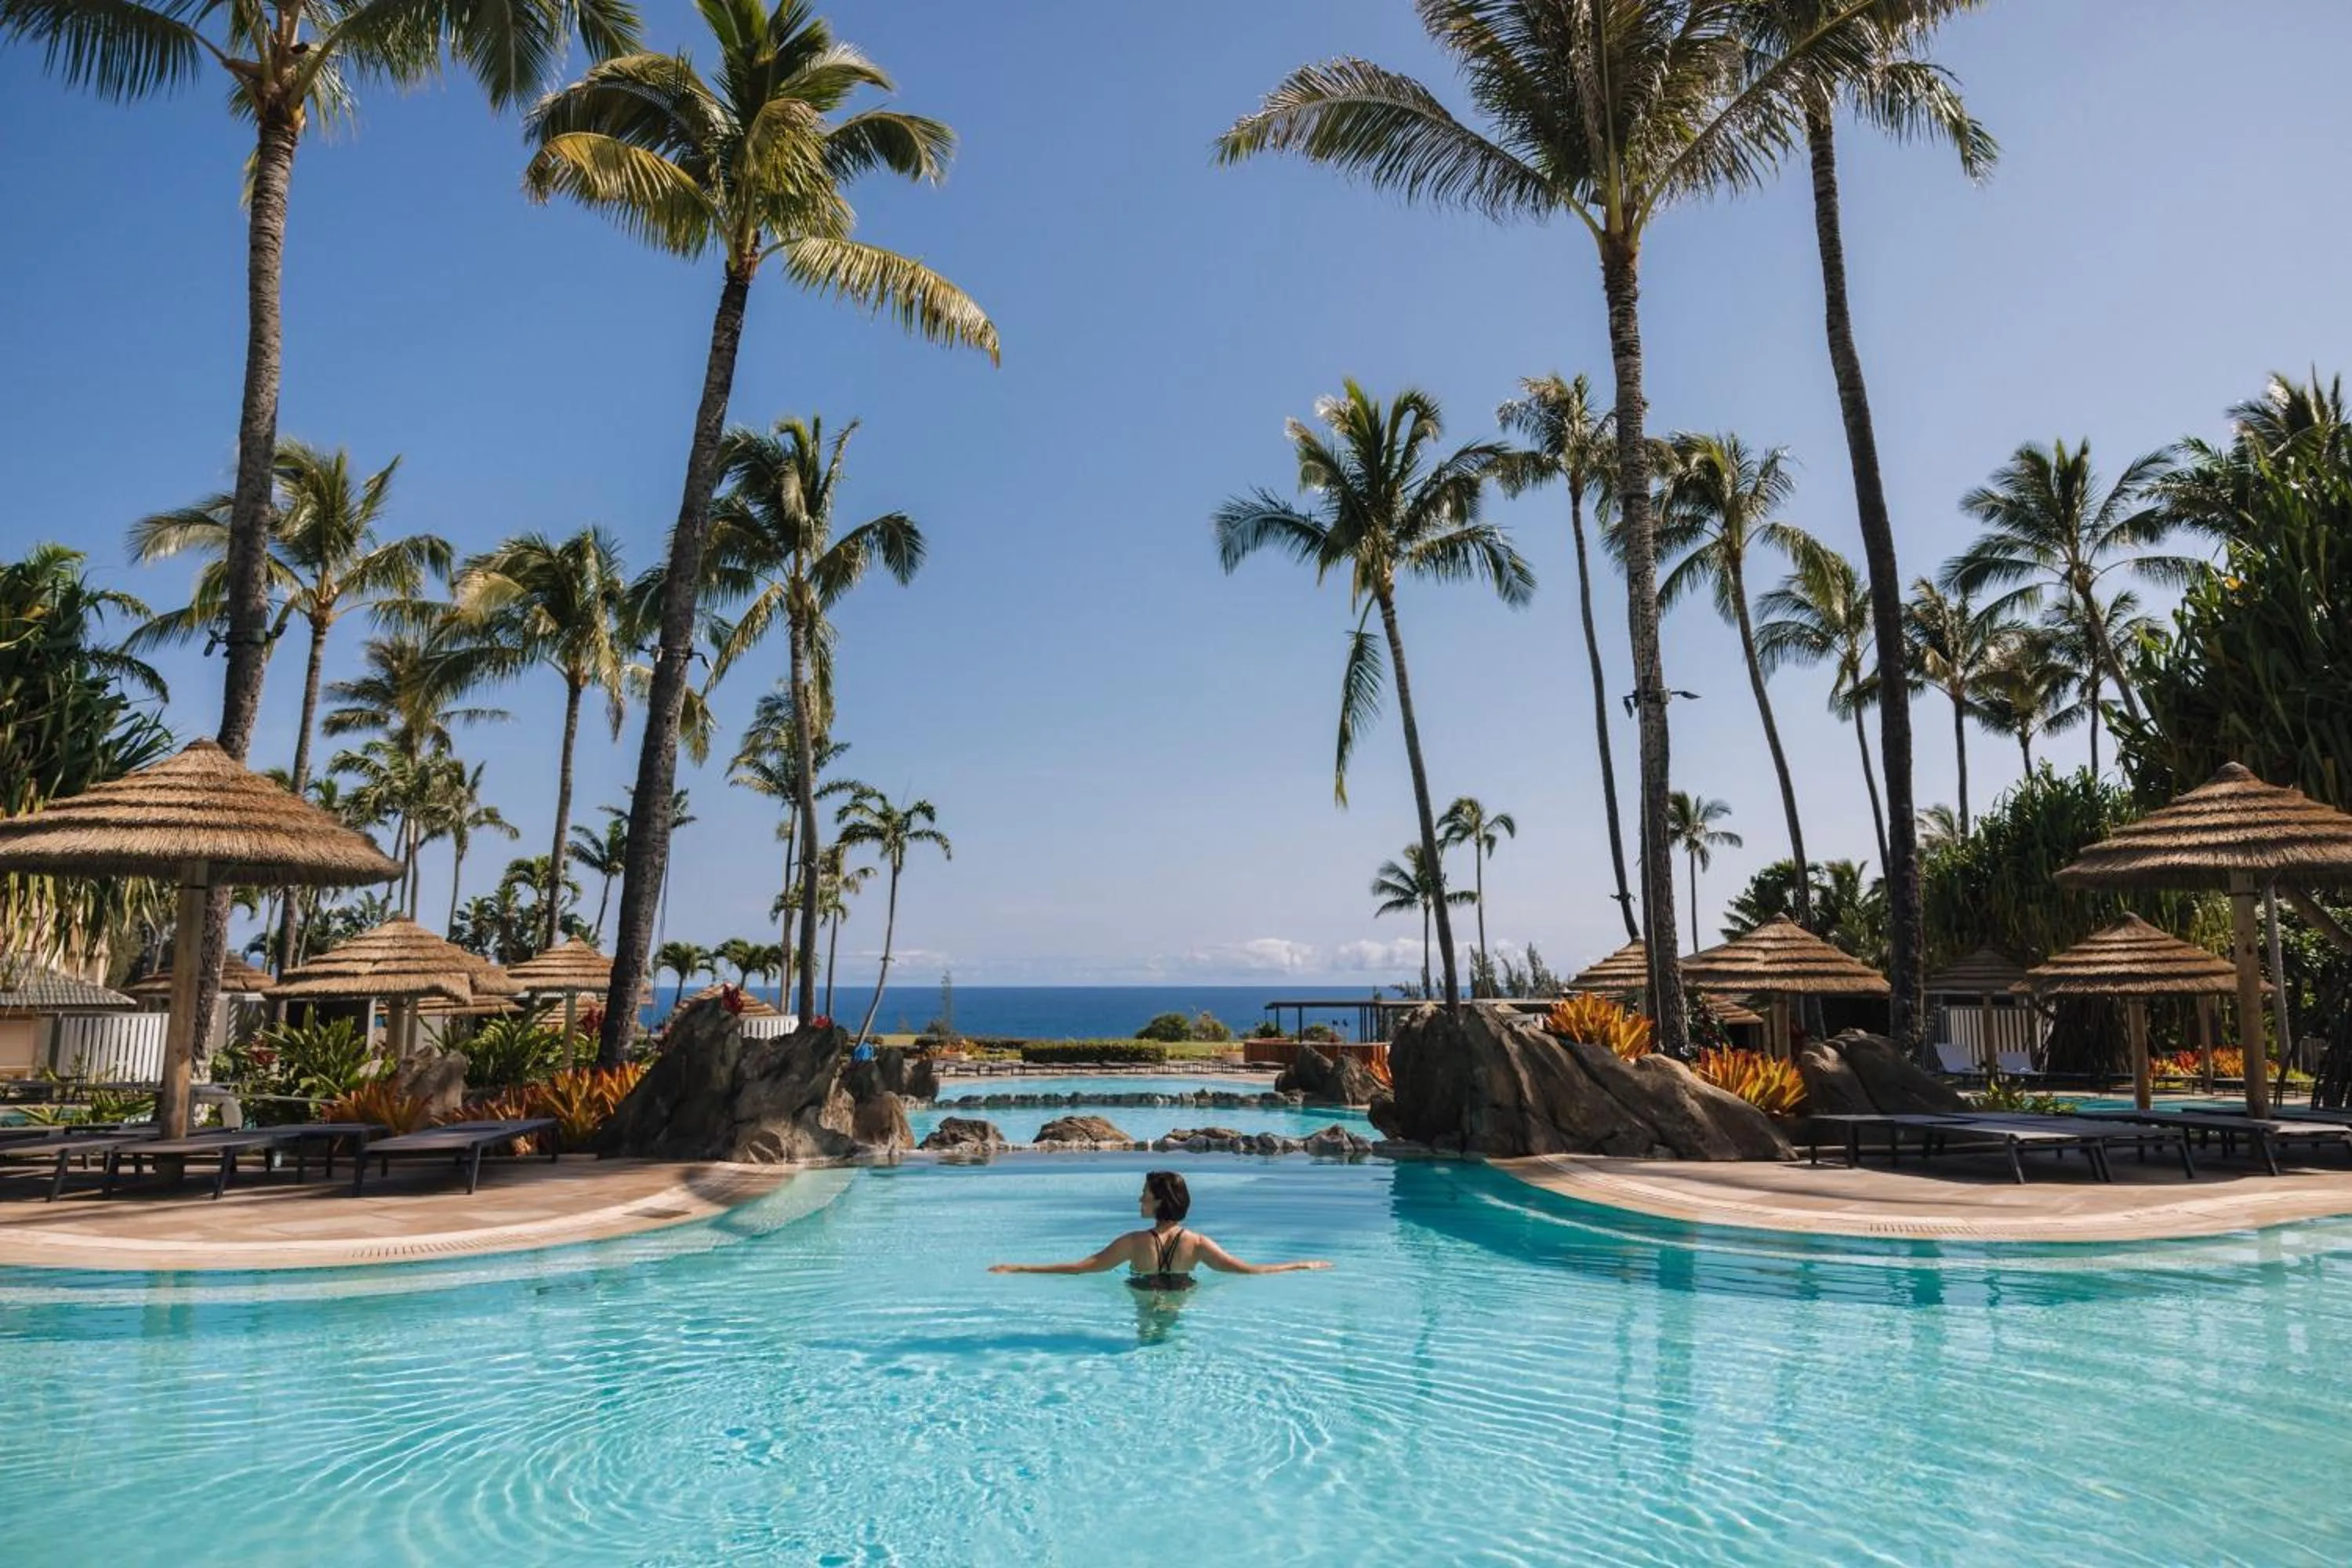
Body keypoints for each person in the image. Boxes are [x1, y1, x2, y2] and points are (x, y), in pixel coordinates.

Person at [988, 1170, 1330, 1290]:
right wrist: (1299, 1264)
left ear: (1159, 1203)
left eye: (1146, 1196)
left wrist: (1019, 1267)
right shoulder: (1197, 1243)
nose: (1139, 1199)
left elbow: (1081, 1268)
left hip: (1141, 1292)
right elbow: (1249, 1270)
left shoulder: (1133, 1243)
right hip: (1182, 1292)